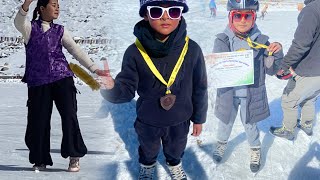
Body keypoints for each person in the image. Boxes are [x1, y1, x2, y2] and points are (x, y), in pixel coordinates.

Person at [100, 0, 208, 179]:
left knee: (177, 147)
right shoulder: (134, 52)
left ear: (180, 15)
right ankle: (147, 165)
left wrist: (198, 118)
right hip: (148, 119)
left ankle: (174, 164)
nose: (165, 16)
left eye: (173, 11)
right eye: (156, 11)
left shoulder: (192, 49)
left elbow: (200, 86)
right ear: (145, 15)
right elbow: (126, 89)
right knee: (148, 147)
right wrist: (111, 88)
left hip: (180, 118)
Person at [14, 0, 108, 172]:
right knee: (38, 121)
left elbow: (76, 51)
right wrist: (26, 3)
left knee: (69, 116)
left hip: (62, 78)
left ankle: (74, 155)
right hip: (38, 82)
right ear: (42, 9)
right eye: (53, 4)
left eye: (58, 5)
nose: (57, 8)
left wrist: (94, 69)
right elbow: (18, 22)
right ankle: (40, 159)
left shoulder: (60, 30)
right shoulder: (30, 29)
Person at [212, 0, 283, 173]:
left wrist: (276, 52)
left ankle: (255, 148)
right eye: (238, 15)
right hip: (228, 93)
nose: (242, 20)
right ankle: (221, 143)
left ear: (254, 18)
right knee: (225, 121)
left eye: (247, 16)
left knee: (250, 124)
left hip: (251, 95)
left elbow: (272, 69)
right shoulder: (223, 40)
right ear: (231, 17)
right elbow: (215, 68)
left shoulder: (262, 41)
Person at [270, 0, 320, 140]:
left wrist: (284, 65)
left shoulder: (312, 10)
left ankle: (288, 130)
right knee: (309, 97)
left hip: (309, 70)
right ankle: (307, 124)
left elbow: (300, 44)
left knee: (288, 100)